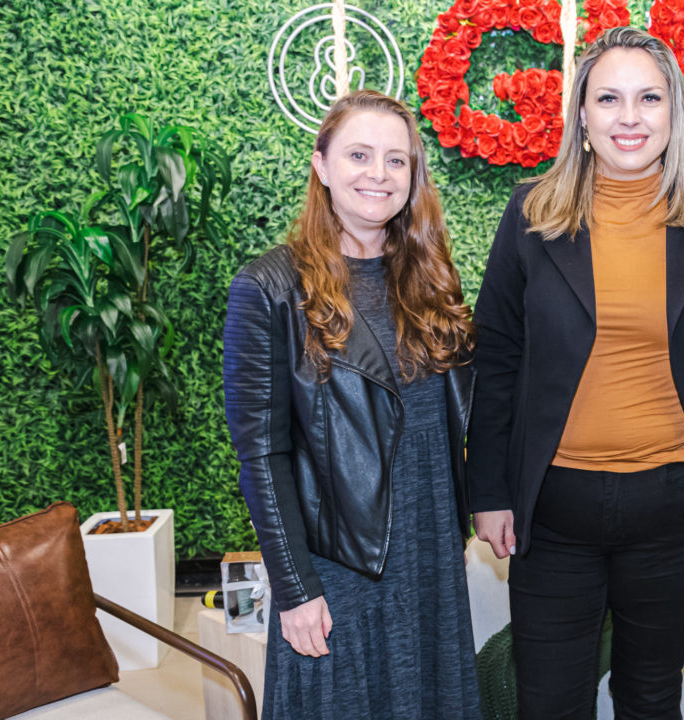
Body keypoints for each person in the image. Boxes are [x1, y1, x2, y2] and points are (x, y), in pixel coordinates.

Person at [467, 26, 684, 720]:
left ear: (675, 113)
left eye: (648, 98)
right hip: (554, 511)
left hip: (676, 510)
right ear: (582, 115)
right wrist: (489, 490)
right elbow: (498, 358)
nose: (629, 117)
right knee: (548, 702)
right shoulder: (531, 214)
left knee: (650, 695)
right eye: (609, 98)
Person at [222, 90, 480, 719]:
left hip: (430, 543)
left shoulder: (431, 278)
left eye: (397, 161)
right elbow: (261, 454)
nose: (379, 174)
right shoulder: (269, 288)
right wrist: (295, 588)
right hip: (339, 558)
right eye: (359, 155)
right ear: (321, 165)